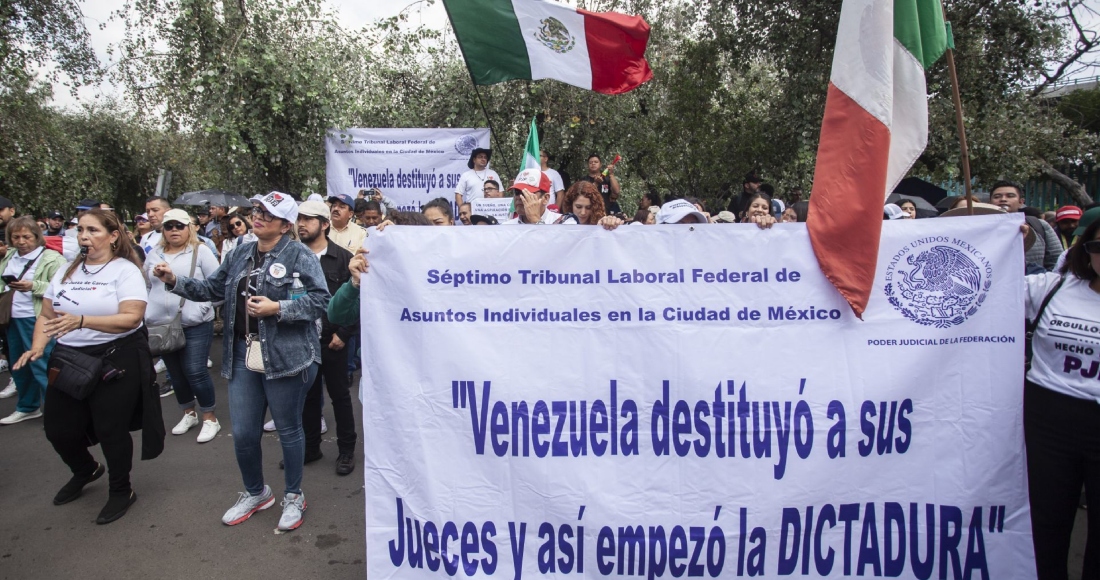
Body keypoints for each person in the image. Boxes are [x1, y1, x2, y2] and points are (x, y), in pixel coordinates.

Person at [152, 191, 328, 532]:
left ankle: (294, 495)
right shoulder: (240, 253)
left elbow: (321, 301)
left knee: (289, 430)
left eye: (268, 213)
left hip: (286, 357)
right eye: (257, 210)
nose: (258, 215)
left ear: (285, 225)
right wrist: (173, 281)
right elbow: (211, 289)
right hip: (242, 354)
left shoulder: (299, 255)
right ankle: (255, 492)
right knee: (244, 433)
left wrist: (279, 308)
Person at [15, 209, 162, 524]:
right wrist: (38, 347)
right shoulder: (68, 270)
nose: (84, 236)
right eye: (80, 230)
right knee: (57, 428)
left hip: (116, 358)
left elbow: (132, 317)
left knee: (110, 429)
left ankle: (122, 489)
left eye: (93, 230)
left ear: (112, 236)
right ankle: (85, 469)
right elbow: (46, 314)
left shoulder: (125, 271)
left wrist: (83, 320)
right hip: (70, 358)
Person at [1023, 218, 1100, 578]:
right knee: (1045, 523)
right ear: (1086, 250)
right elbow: (981, 285)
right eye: (1099, 247)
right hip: (1049, 420)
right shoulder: (1051, 287)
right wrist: (1006, 248)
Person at [144, 209, 222, 443]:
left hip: (194, 322)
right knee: (175, 374)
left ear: (189, 227)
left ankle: (210, 417)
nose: (174, 230)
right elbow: (147, 287)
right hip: (162, 323)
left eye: (180, 226)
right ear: (163, 230)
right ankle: (189, 413)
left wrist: (203, 308)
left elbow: (217, 286)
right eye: (169, 226)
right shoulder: (154, 253)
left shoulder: (201, 251)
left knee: (195, 371)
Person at [294, 201, 358, 475]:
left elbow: (356, 299)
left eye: (309, 219)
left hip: (332, 341)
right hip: (301, 341)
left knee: (340, 397)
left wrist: (343, 335)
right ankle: (311, 447)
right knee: (307, 397)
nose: (301, 224)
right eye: (299, 218)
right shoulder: (291, 257)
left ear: (323, 224)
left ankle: (346, 451)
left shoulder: (343, 258)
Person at [0, 217, 65, 421]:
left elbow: (62, 290)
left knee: (42, 364)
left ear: (37, 237)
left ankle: (56, 411)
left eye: (26, 237)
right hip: (11, 317)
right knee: (18, 364)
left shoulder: (52, 258)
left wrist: (33, 286)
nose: (21, 241)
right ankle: (27, 406)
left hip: (37, 317)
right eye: (15, 237)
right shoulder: (9, 255)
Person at [990, 180, 1061, 271]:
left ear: (1021, 202)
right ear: (990, 202)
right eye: (997, 196)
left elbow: (1056, 261)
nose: (1003, 199)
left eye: (1010, 196)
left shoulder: (1039, 225)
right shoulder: (982, 228)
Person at [503, 169, 574, 225]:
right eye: (517, 192)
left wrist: (536, 220)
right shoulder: (506, 227)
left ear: (545, 198)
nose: (519, 197)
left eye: (527, 193)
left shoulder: (565, 222)